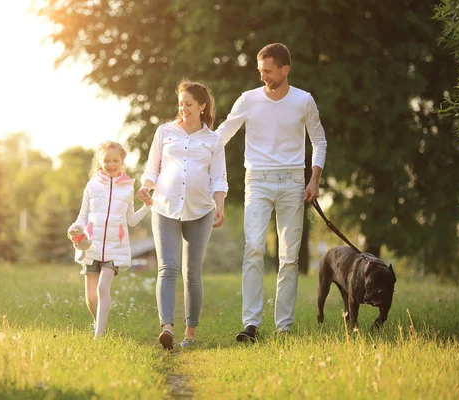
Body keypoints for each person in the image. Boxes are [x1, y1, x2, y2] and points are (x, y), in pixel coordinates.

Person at [215, 43, 328, 341]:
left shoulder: (304, 101)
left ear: (285, 69)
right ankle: (250, 324)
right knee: (253, 247)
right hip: (258, 180)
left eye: (268, 70)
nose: (263, 76)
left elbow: (319, 141)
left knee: (289, 257)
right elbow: (223, 134)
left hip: (293, 182)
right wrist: (191, 152)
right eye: (260, 70)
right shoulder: (248, 100)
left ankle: (284, 327)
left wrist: (314, 180)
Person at [137, 80, 228, 349]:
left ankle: (190, 333)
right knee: (167, 268)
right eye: (180, 104)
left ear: (202, 106)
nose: (183, 109)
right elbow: (152, 169)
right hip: (165, 207)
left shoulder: (213, 140)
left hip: (200, 212)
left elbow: (219, 179)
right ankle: (166, 327)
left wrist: (219, 205)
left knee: (192, 274)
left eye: (189, 104)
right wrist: (145, 187)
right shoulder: (165, 132)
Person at [68, 141, 152, 339]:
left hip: (115, 247)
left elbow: (131, 220)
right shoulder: (92, 186)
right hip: (92, 245)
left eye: (115, 160)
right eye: (107, 160)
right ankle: (97, 323)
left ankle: (99, 335)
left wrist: (147, 206)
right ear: (100, 161)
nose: (111, 164)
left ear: (122, 162)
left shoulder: (127, 188)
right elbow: (82, 216)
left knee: (102, 287)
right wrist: (75, 228)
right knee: (90, 298)